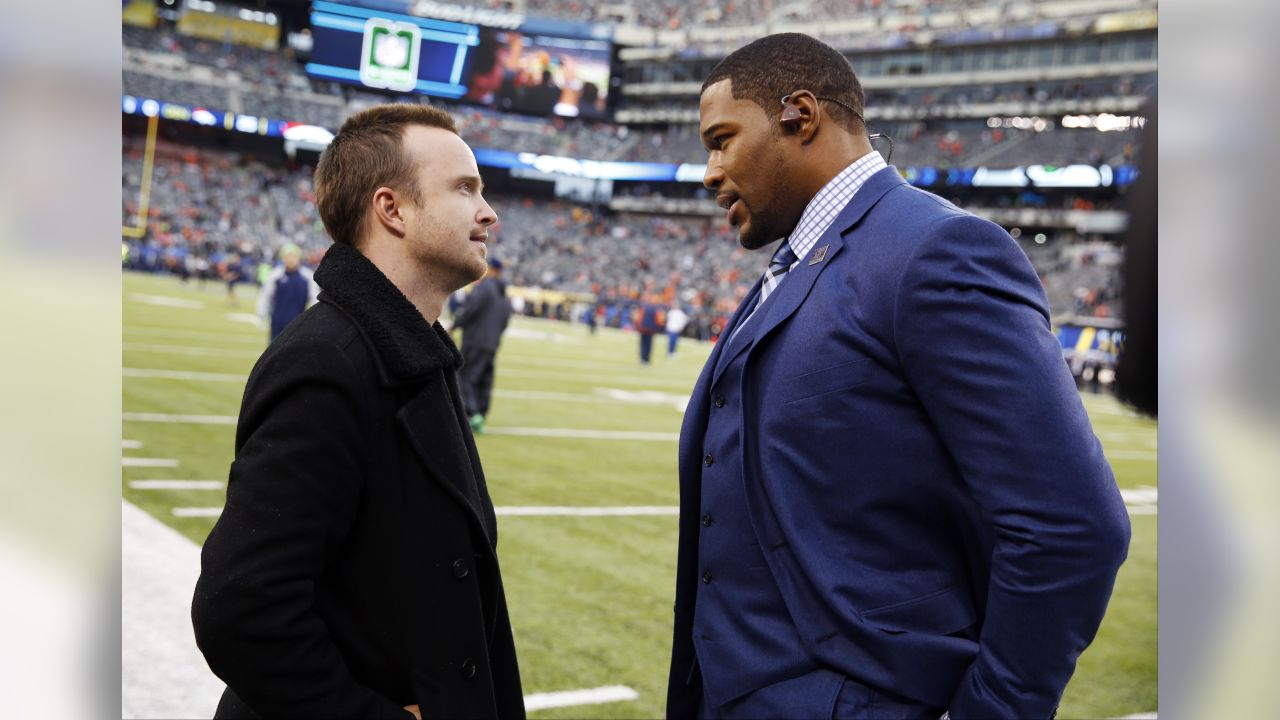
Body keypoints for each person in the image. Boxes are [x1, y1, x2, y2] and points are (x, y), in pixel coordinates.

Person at [667, 34, 1130, 720]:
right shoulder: (797, 261)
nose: (709, 171)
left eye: (721, 139)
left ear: (799, 115)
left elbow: (1071, 526)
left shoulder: (935, 250)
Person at [192, 103, 525, 720]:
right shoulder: (328, 361)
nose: (489, 212)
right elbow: (240, 608)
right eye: (465, 188)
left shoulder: (411, 349)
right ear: (391, 209)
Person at [452, 256, 512, 434]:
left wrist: (455, 325)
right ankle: (481, 414)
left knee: (466, 376)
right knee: (485, 380)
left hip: (476, 340)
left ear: (492, 269)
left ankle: (472, 413)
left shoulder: (485, 288)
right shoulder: (504, 293)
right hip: (492, 343)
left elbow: (471, 310)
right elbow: (505, 321)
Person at [255, 242, 319, 342]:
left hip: (298, 324)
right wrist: (262, 312)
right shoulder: (276, 275)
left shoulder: (307, 277)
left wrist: (315, 319)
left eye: (293, 256)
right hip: (277, 322)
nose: (290, 260)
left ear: (298, 258)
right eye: (287, 257)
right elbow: (266, 295)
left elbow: (314, 299)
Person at [635, 294, 665, 365]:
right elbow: (660, 321)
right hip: (650, 330)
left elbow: (638, 318)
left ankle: (643, 359)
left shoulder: (645, 308)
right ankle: (646, 360)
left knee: (643, 345)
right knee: (648, 345)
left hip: (644, 329)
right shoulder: (655, 309)